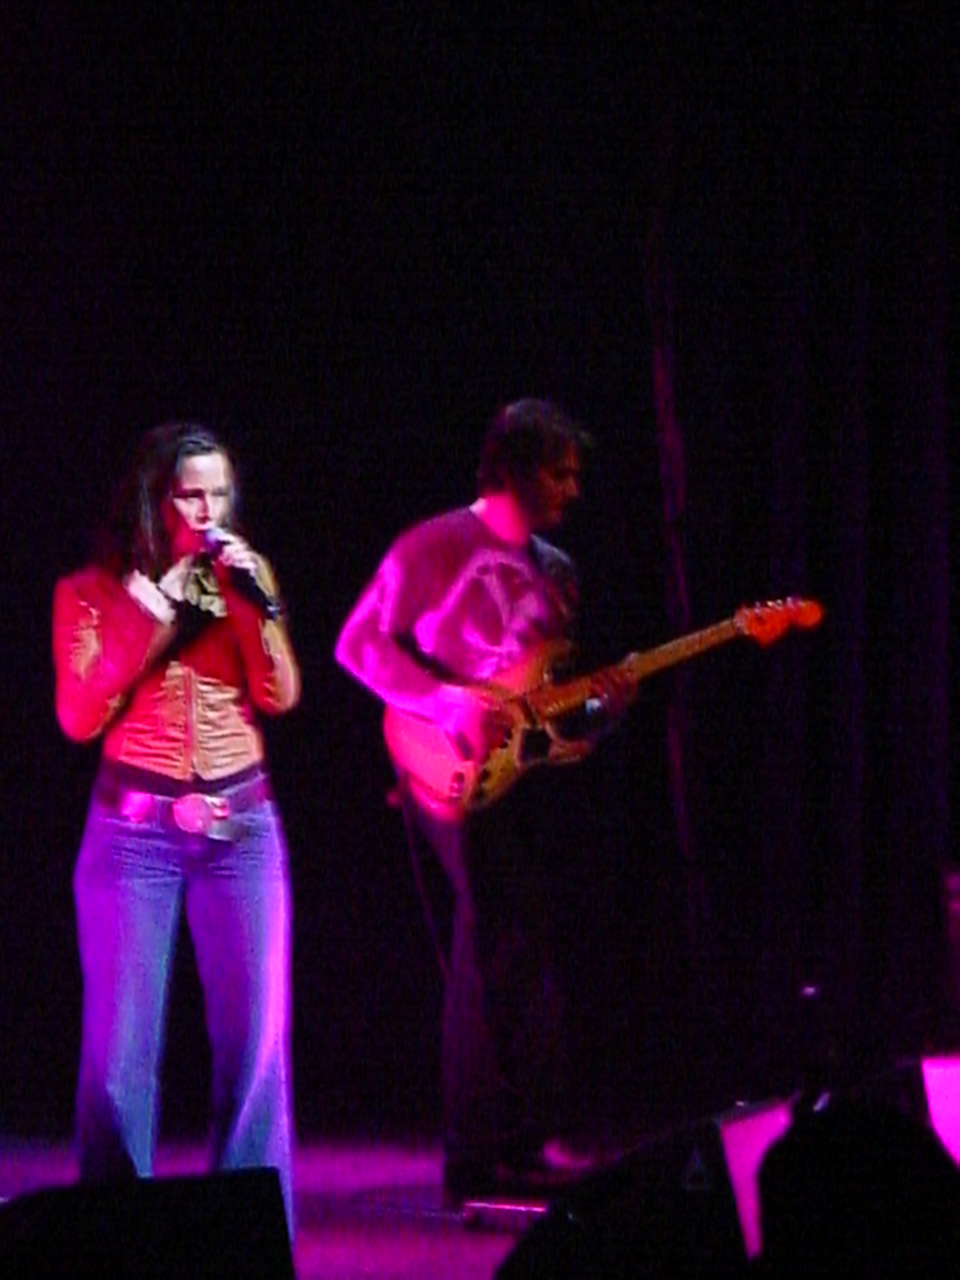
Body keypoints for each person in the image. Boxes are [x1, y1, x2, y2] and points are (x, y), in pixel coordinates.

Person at [335, 398, 629, 1205]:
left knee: (520, 937)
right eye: (559, 472)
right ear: (514, 469)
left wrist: (603, 708)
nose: (573, 488)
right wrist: (444, 701)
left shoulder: (557, 569)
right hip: (443, 765)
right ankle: (486, 1148)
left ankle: (516, 1138)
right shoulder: (433, 545)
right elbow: (357, 645)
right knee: (497, 928)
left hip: (522, 776)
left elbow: (556, 704)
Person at [52, 422, 301, 1236]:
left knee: (256, 1049)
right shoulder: (89, 591)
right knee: (118, 1060)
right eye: (190, 496)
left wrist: (251, 604)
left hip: (241, 828)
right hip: (134, 836)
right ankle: (113, 1238)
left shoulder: (245, 574)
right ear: (153, 502)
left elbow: (280, 694)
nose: (208, 512)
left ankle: (249, 1237)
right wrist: (156, 607)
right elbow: (79, 715)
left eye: (220, 494)